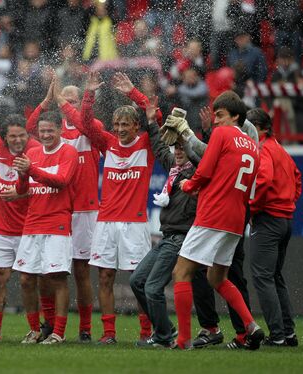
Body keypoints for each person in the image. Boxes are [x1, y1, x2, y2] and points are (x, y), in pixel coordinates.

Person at [172, 91, 264, 350]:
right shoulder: (253, 149)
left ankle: (183, 341)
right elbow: (233, 180)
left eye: (220, 115)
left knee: (181, 272)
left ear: (236, 116)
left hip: (213, 214)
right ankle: (250, 326)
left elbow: (205, 170)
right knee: (217, 278)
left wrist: (190, 185)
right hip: (236, 220)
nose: (216, 121)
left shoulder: (224, 134)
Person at [79, 72, 154, 344]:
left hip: (134, 223)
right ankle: (109, 333)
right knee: (105, 276)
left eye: (125, 124)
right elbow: (86, 123)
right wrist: (88, 95)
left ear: (137, 127)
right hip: (106, 222)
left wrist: (133, 92)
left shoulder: (147, 144)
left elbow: (152, 111)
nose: (120, 129)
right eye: (116, 124)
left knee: (139, 280)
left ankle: (147, 333)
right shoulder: (108, 143)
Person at [25, 78, 103, 342]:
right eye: (64, 99)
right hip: (54, 209)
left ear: (81, 103)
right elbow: (29, 128)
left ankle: (85, 328)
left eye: (71, 100)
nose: (65, 104)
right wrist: (47, 101)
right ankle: (49, 324)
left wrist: (59, 100)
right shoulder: (53, 135)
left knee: (81, 271)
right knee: (48, 272)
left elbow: (83, 122)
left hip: (83, 210)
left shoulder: (90, 130)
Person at [129, 97, 199, 348]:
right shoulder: (173, 168)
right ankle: (166, 331)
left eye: (182, 147)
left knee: (152, 287)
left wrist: (194, 134)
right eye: (176, 147)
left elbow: (202, 155)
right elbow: (159, 148)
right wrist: (150, 121)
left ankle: (163, 337)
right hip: (167, 237)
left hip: (181, 238)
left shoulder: (198, 171)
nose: (178, 151)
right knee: (137, 281)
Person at [12, 111, 78, 344]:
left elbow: (61, 181)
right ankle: (35, 329)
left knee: (57, 278)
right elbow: (22, 189)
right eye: (42, 131)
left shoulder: (69, 152)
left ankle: (58, 332)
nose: (46, 135)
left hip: (57, 223)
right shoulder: (32, 153)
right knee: (26, 279)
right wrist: (21, 173)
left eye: (50, 130)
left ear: (59, 129)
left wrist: (30, 170)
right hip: (32, 223)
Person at [0, 115, 40, 341]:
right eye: (13, 137)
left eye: (22, 135)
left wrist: (20, 193)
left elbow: (46, 186)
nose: (18, 140)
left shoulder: (35, 149)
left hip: (30, 227)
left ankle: (36, 329)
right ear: (4, 137)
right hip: (3, 227)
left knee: (28, 280)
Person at [247, 108, 302, 347]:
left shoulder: (261, 149)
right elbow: (297, 178)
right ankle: (288, 333)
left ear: (259, 127)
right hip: (284, 219)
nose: (246, 132)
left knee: (262, 277)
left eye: (249, 127)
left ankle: (277, 335)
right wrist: (287, 203)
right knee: (275, 277)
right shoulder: (279, 148)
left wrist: (253, 207)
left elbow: (264, 179)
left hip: (268, 219)